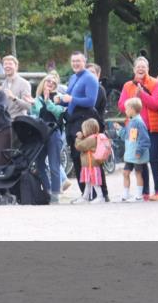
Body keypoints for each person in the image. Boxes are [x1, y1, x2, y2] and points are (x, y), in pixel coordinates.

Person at [116, 57, 158, 200]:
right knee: (139, 160)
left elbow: (156, 104)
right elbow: (121, 105)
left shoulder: (155, 83)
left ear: (148, 69)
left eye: (143, 66)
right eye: (138, 66)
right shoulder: (127, 85)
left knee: (155, 159)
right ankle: (143, 192)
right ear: (133, 69)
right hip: (134, 129)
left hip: (154, 128)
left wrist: (141, 95)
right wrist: (133, 100)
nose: (140, 69)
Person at [59, 51, 98, 189]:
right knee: (75, 156)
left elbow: (91, 101)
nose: (75, 63)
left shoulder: (89, 78)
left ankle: (93, 192)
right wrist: (60, 101)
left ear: (84, 62)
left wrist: (72, 99)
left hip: (84, 120)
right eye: (73, 61)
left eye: (78, 61)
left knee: (85, 157)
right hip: (71, 121)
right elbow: (68, 99)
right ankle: (84, 193)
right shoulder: (73, 78)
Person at [31, 72, 66, 203]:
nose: (50, 84)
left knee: (54, 165)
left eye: (53, 83)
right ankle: (48, 190)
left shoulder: (58, 98)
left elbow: (57, 112)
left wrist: (48, 101)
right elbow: (37, 114)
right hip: (40, 134)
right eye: (48, 81)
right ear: (43, 83)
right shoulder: (37, 99)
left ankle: (55, 194)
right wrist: (36, 104)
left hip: (54, 133)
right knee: (39, 163)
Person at [119, 97, 150, 202]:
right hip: (130, 154)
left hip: (136, 154)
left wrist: (139, 151)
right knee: (125, 173)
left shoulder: (139, 122)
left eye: (127, 109)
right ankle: (125, 194)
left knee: (138, 173)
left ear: (132, 109)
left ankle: (139, 195)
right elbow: (128, 136)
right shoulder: (131, 121)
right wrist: (119, 130)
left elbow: (145, 139)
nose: (125, 111)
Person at [74, 118, 106, 203]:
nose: (82, 131)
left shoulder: (91, 139)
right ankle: (85, 197)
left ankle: (100, 196)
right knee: (88, 182)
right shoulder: (94, 137)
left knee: (94, 181)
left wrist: (78, 138)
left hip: (91, 164)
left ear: (88, 130)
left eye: (83, 129)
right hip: (89, 164)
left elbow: (80, 146)